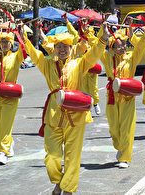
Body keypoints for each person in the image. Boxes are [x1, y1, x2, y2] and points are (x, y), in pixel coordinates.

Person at [23, 23, 109, 195]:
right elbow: (34, 54)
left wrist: (104, 38)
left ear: (72, 48)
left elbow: (93, 55)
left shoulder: (79, 64)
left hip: (76, 115)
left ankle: (67, 189)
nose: (62, 49)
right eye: (59, 47)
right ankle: (59, 181)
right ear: (54, 49)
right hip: (53, 115)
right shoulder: (47, 65)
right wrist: (23, 38)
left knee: (72, 155)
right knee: (52, 156)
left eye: (65, 47)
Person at [101, 20, 145, 169]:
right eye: (118, 45)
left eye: (124, 44)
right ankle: (120, 146)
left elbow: (142, 45)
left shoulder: (131, 58)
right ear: (112, 47)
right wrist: (102, 31)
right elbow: (96, 47)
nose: (122, 47)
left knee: (127, 127)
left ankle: (124, 157)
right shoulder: (107, 59)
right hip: (111, 97)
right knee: (114, 128)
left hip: (127, 97)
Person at [0, 31, 25, 165]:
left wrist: (21, 34)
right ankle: (9, 142)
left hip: (10, 94)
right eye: (2, 42)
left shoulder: (16, 57)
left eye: (6, 42)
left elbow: (24, 50)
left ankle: (3, 152)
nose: (4, 44)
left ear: (11, 44)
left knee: (6, 125)